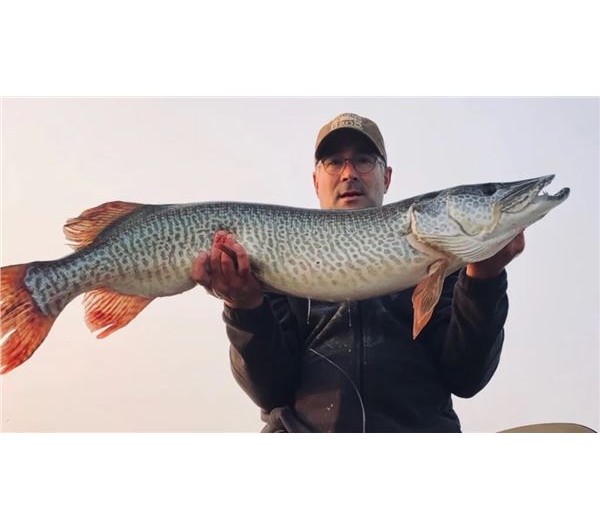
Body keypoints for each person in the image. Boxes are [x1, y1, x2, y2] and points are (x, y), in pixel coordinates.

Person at [191, 113, 524, 432]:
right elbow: (270, 391)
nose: (349, 173)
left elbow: (466, 377)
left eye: (364, 160)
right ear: (316, 181)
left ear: (387, 177)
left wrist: (483, 281)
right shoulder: (278, 261)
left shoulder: (446, 266)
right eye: (334, 162)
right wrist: (245, 308)